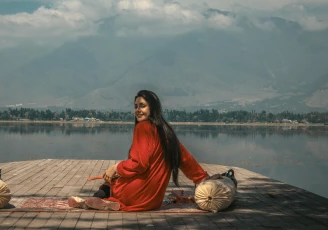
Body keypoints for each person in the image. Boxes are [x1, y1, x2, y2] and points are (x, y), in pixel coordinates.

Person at [68, 89, 221, 212]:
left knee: (111, 182)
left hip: (136, 195)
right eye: (135, 106)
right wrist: (202, 178)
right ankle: (103, 201)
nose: (138, 110)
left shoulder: (143, 128)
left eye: (142, 105)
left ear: (152, 107)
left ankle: (95, 200)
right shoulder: (165, 131)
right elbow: (185, 159)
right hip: (153, 200)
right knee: (117, 180)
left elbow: (140, 164)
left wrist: (116, 168)